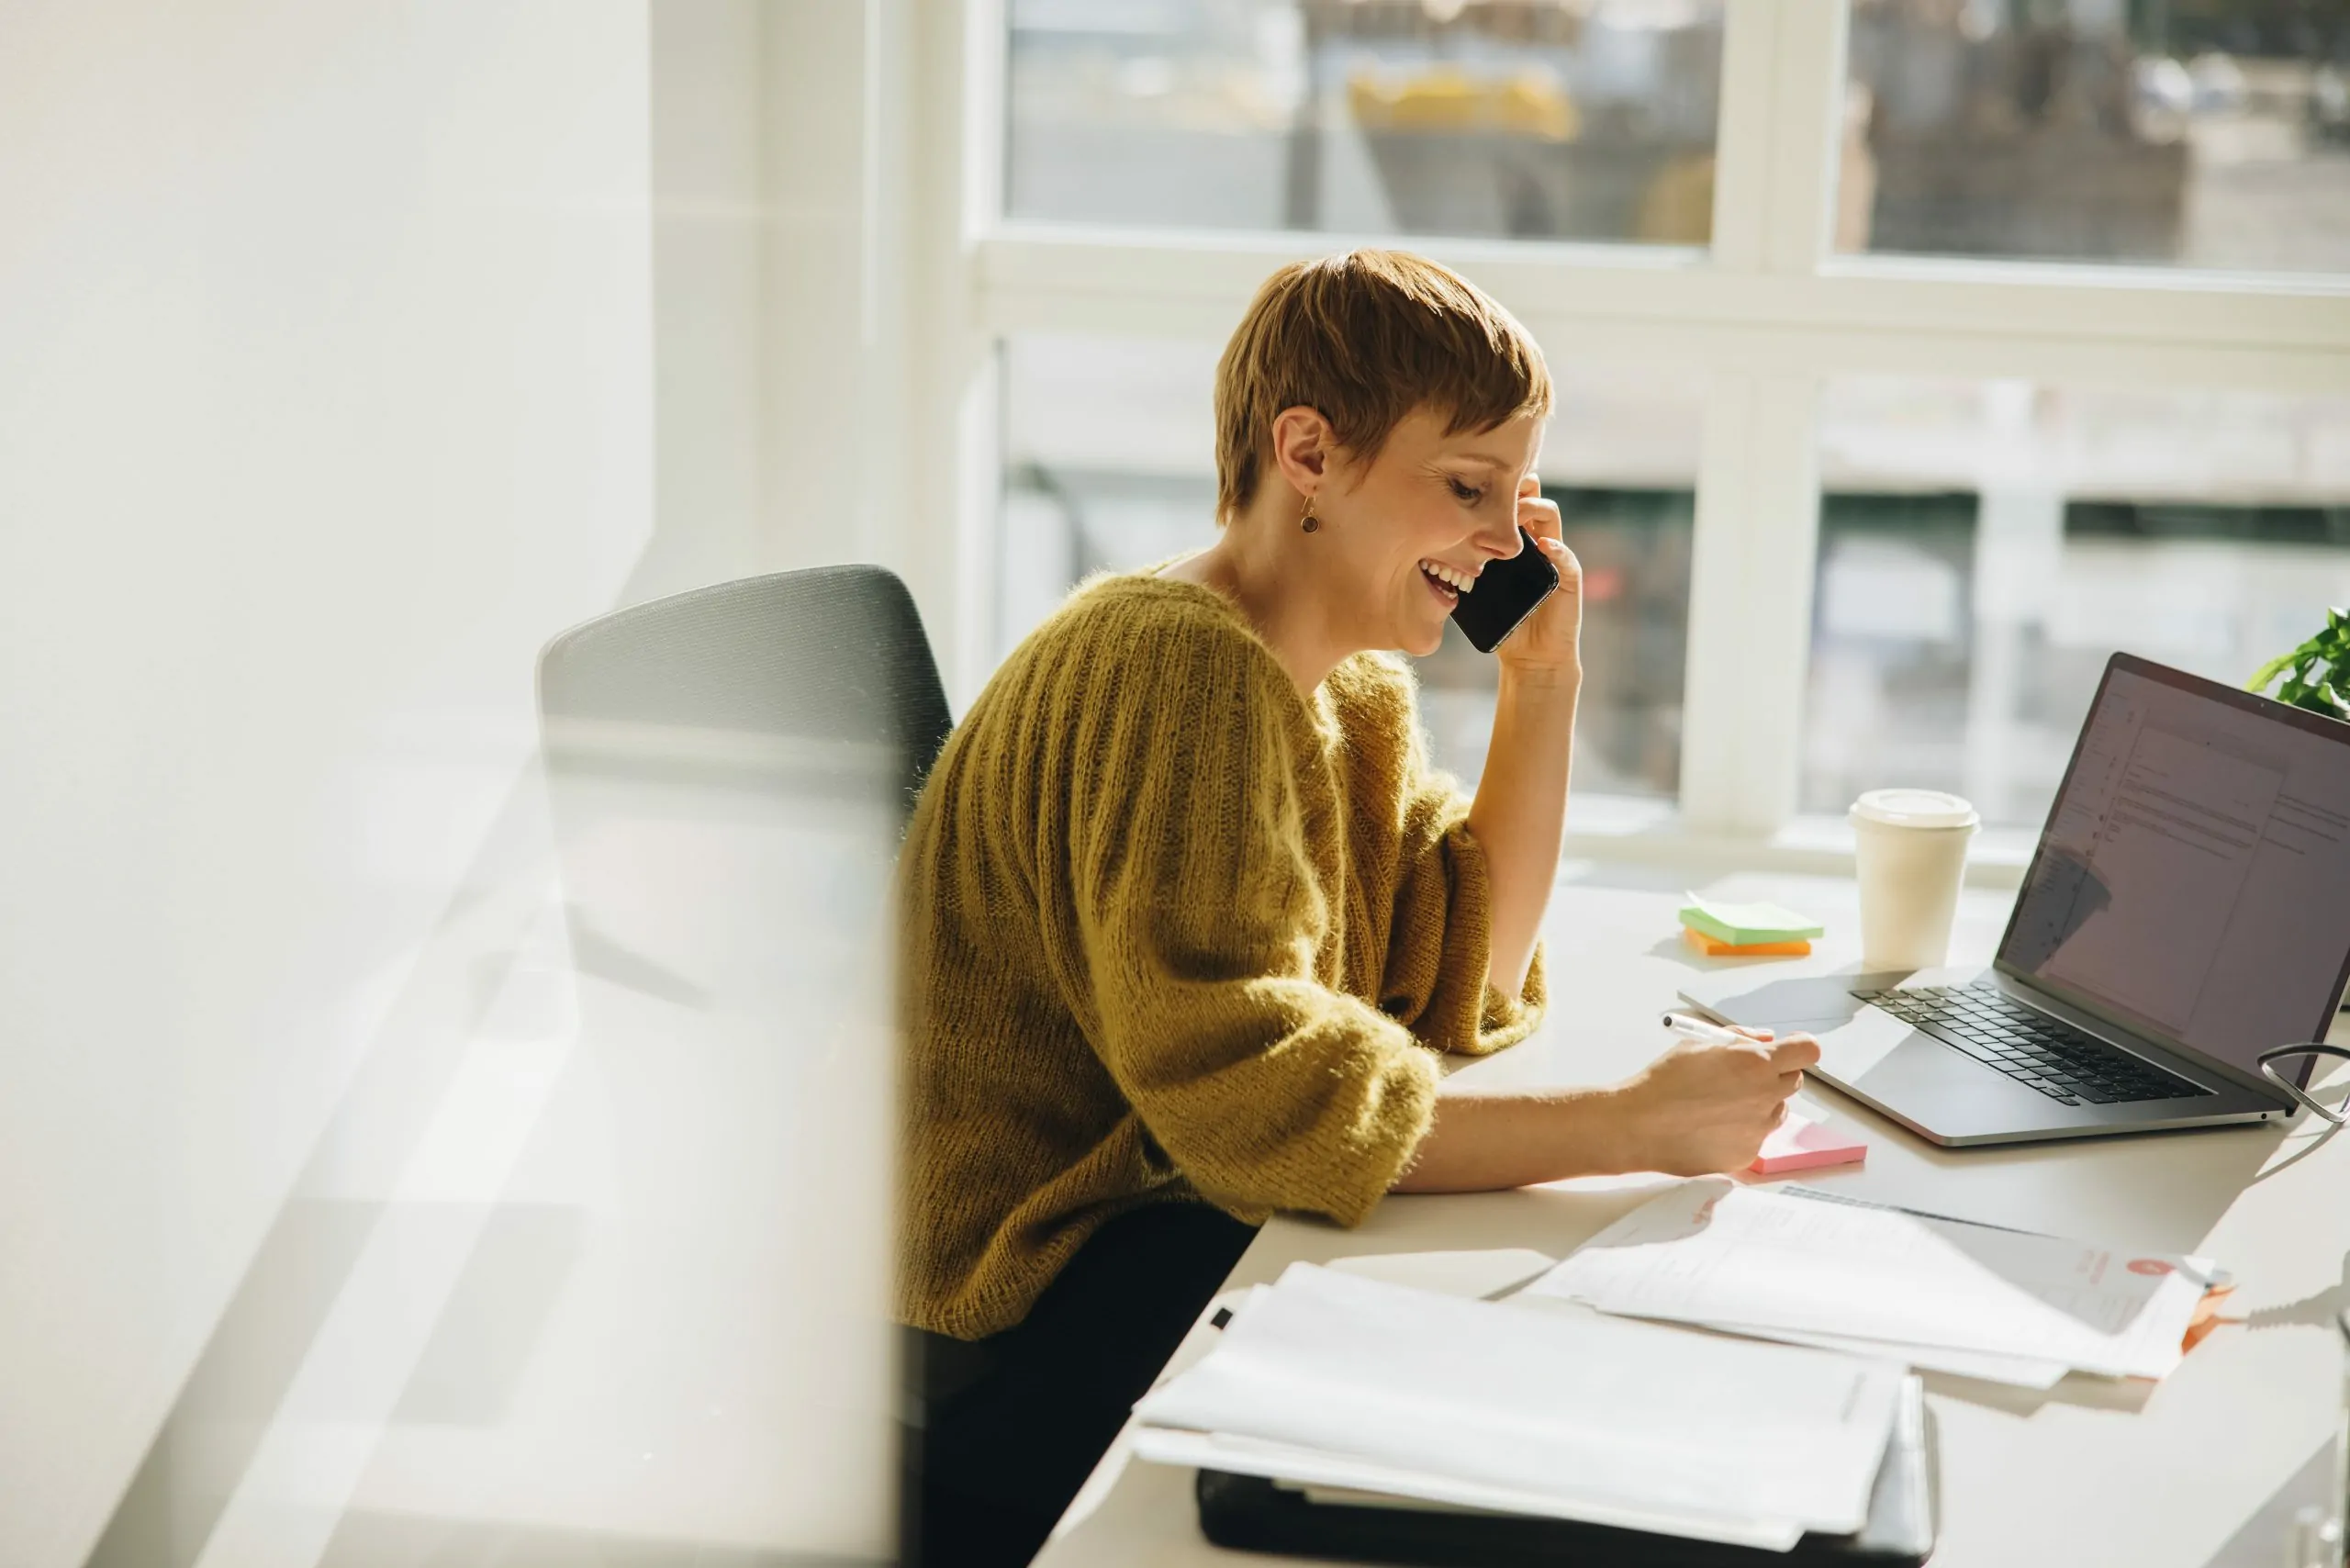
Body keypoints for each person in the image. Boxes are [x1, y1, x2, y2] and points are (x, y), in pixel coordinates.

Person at [896, 249, 1818, 1566]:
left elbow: (1459, 974)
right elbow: (1257, 1100)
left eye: (1518, 495)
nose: (1507, 540)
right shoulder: (1176, 670)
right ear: (1309, 453)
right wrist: (1629, 1124)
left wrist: (1542, 685)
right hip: (1009, 1317)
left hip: (1154, 1239)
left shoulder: (1333, 688)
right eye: (1467, 488)